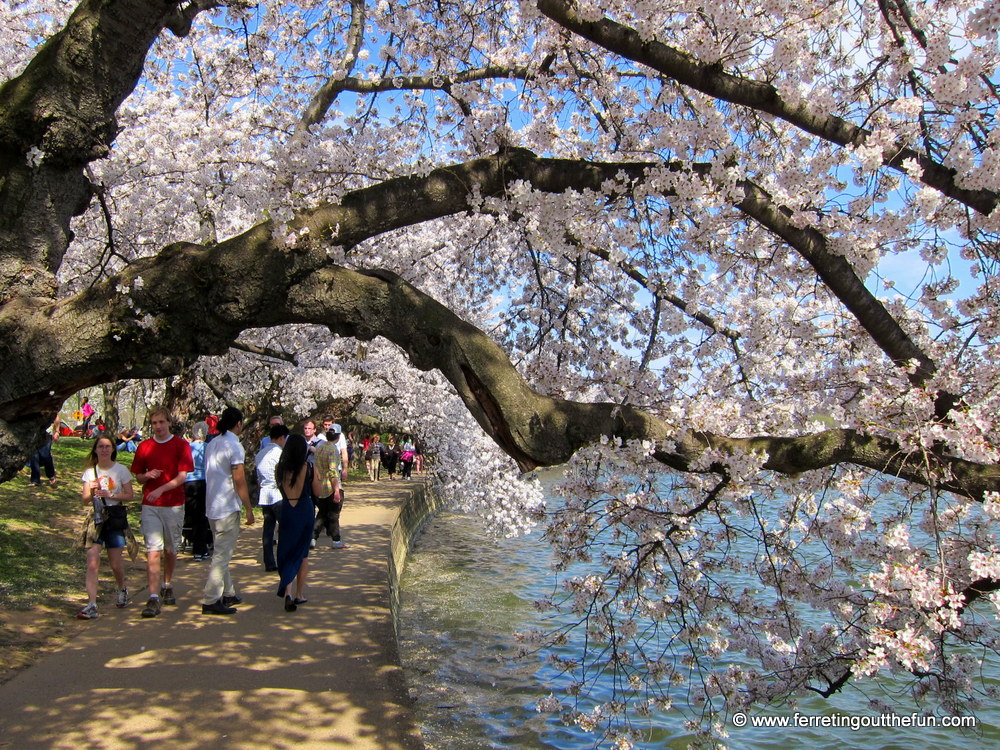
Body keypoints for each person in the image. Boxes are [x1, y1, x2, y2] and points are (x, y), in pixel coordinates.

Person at [131, 406, 194, 618]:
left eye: (161, 422)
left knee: (170, 549)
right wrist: (147, 476)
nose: (158, 427)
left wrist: (161, 488)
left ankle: (167, 584)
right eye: (154, 423)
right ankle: (153, 596)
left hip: (173, 504)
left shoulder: (181, 445)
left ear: (169, 423)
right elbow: (138, 476)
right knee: (153, 550)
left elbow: (182, 476)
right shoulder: (145, 446)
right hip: (151, 506)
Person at [201, 407, 256, 615]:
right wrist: (248, 508)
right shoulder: (235, 446)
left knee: (220, 551)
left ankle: (229, 592)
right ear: (239, 424)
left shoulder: (213, 443)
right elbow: (239, 479)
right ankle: (211, 598)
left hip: (212, 506)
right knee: (222, 556)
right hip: (227, 507)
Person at [77, 436, 134, 619]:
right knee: (92, 562)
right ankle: (92, 603)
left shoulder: (121, 470)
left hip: (114, 518)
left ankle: (122, 588)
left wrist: (111, 494)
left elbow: (130, 495)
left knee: (115, 564)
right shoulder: (90, 472)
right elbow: (85, 499)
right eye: (100, 447)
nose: (104, 450)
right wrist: (91, 490)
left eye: (107, 447)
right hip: (96, 519)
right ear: (95, 449)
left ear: (112, 450)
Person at [275, 434, 314, 611]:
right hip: (304, 508)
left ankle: (288, 591)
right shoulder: (309, 467)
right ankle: (299, 594)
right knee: (302, 552)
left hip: (287, 510)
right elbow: (319, 492)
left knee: (287, 548)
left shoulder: (279, 468)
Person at [255, 423, 289, 571]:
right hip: (278, 495)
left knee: (268, 530)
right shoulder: (280, 453)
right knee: (285, 528)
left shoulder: (260, 454)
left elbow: (257, 477)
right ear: (281, 437)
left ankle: (269, 562)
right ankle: (284, 559)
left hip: (264, 495)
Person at [313, 424, 349, 549]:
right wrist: (337, 490)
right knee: (333, 514)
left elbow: (316, 466)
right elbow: (333, 471)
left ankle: (313, 538)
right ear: (338, 436)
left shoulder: (320, 447)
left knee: (322, 513)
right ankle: (336, 540)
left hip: (320, 484)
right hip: (330, 485)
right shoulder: (333, 450)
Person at [184, 421, 212, 560]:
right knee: (202, 516)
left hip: (188, 482)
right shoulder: (208, 448)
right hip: (203, 482)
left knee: (191, 515)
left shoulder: (187, 447)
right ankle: (200, 549)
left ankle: (193, 543)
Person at [27, 415, 60, 487]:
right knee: (34, 456)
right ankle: (35, 480)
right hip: (34, 433)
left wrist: (57, 432)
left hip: (47, 433)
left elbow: (56, 417)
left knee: (45, 455)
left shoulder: (50, 406)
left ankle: (51, 476)